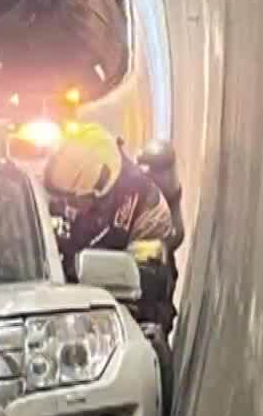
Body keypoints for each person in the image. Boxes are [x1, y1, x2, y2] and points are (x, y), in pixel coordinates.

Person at [43, 130, 179, 339]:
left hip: (137, 302)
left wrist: (70, 264)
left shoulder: (138, 209)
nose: (69, 207)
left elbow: (139, 283)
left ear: (99, 191)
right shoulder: (90, 188)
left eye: (74, 201)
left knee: (150, 337)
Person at [135, 138, 186, 256]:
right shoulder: (137, 191)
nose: (166, 178)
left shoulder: (171, 194)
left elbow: (177, 234)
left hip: (155, 256)